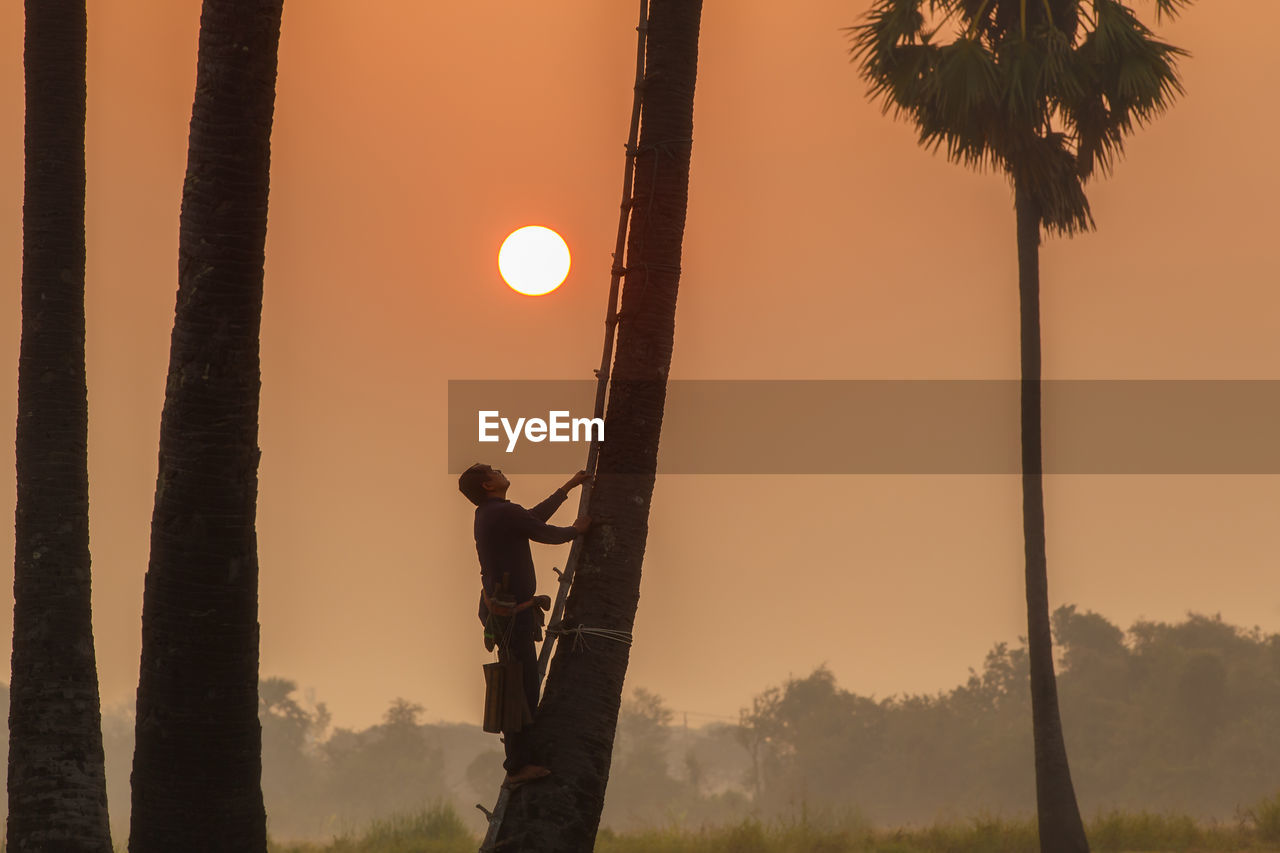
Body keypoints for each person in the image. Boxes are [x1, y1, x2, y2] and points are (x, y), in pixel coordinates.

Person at [457, 462, 590, 788]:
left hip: (504, 615)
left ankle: (519, 762)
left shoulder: (492, 513)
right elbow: (543, 532)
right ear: (488, 485)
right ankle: (517, 767)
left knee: (517, 684)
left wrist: (568, 487)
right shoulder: (501, 512)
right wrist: (576, 531)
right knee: (521, 690)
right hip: (511, 618)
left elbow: (532, 519)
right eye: (492, 470)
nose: (498, 469)